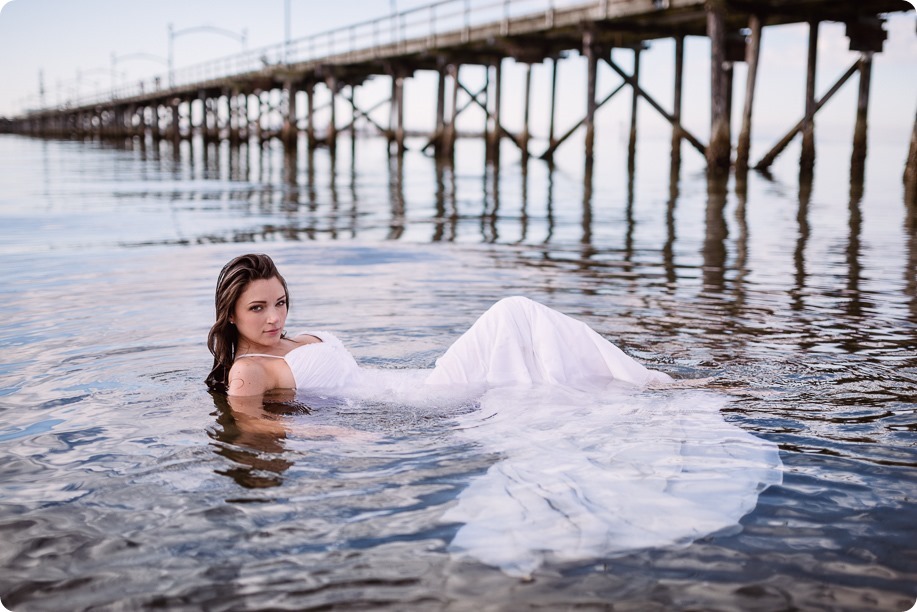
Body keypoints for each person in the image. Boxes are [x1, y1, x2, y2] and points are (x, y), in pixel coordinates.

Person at [206, 253, 674, 400]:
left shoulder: (289, 340)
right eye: (258, 308)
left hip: (411, 382)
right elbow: (260, 434)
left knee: (520, 325)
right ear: (231, 313)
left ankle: (641, 381)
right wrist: (339, 437)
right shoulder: (249, 370)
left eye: (281, 303)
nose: (274, 317)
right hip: (418, 401)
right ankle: (646, 383)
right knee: (513, 313)